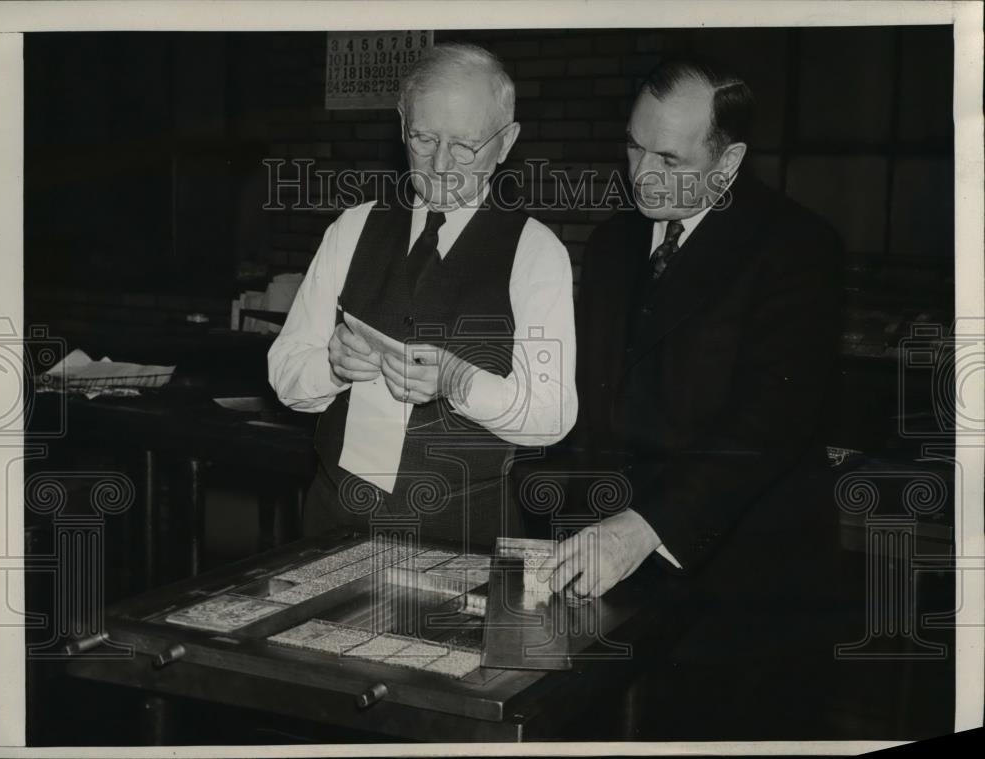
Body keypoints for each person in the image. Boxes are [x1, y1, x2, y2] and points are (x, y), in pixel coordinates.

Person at [536, 56, 847, 738]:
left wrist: (642, 526)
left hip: (746, 587)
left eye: (670, 159)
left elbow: (767, 422)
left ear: (728, 159)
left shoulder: (798, 246)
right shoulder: (612, 243)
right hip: (615, 570)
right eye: (633, 147)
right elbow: (596, 406)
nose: (642, 175)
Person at [268, 43, 577, 549]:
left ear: (506, 142)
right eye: (424, 138)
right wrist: (333, 366)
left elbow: (551, 416)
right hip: (334, 522)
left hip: (461, 534)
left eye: (464, 146)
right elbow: (285, 375)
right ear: (401, 125)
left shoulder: (536, 251)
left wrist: (457, 379)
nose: (440, 164)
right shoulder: (353, 228)